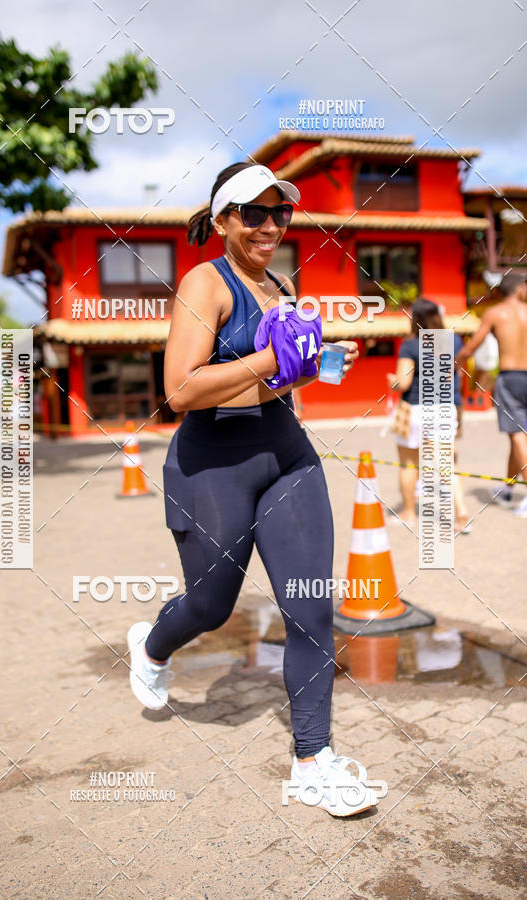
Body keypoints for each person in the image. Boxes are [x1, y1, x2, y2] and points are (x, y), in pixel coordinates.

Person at [127, 161, 382, 817]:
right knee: (212, 607)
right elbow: (179, 390)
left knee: (311, 604)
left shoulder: (282, 282)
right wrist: (274, 358)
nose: (271, 226)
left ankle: (312, 762)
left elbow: (278, 384)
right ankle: (152, 646)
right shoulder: (203, 283)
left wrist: (315, 366)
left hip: (286, 452)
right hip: (212, 459)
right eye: (255, 213)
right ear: (223, 220)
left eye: (281, 213)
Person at [387, 299, 469, 532]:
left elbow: (403, 383)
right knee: (448, 463)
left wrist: (391, 380)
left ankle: (409, 512)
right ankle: (461, 511)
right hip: (445, 408)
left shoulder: (411, 344)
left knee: (408, 463)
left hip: (417, 409)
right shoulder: (454, 340)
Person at [456, 271, 527, 518]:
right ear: (519, 289)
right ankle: (508, 490)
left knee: (518, 436)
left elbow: (471, 346)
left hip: (511, 378)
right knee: (516, 438)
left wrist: (453, 365)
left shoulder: (495, 313)